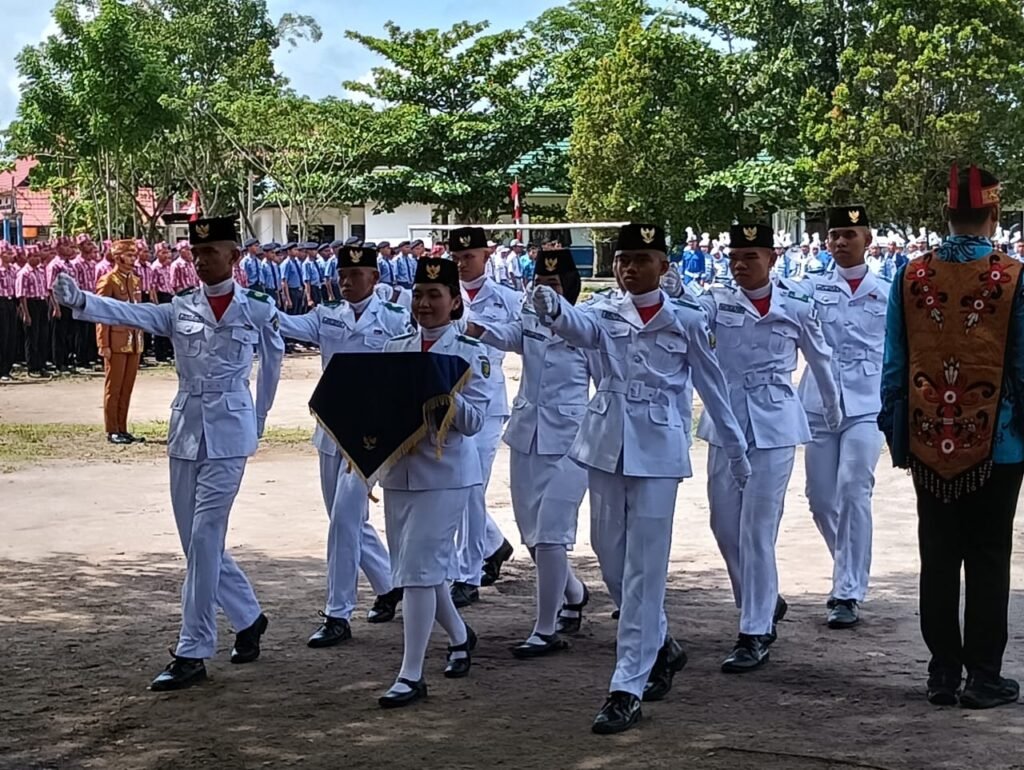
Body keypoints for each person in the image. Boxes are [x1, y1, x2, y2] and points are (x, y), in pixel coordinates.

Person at [532, 223, 750, 735]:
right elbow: (579, 328)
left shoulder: (687, 319)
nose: (629, 268)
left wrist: (736, 450)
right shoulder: (604, 311)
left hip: (657, 450)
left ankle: (626, 685)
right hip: (606, 443)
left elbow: (713, 388)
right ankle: (661, 643)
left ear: (663, 266)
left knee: (645, 569)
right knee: (608, 553)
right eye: (623, 260)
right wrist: (553, 308)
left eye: (641, 259)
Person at [53, 216, 285, 691]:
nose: (201, 260)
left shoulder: (257, 308)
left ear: (233, 257)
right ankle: (248, 616)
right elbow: (132, 313)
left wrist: (259, 416)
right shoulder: (181, 306)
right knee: (194, 542)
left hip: (230, 430)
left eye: (210, 252)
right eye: (195, 253)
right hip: (187, 431)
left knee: (205, 536)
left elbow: (274, 360)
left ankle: (193, 648)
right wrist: (81, 301)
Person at [880, 164, 1023, 710]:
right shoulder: (1013, 276)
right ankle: (983, 676)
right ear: (994, 213)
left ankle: (942, 670)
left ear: (946, 213)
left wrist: (899, 429)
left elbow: (895, 363)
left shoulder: (911, 275)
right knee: (989, 555)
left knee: (938, 553)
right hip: (999, 439)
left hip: (928, 435)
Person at [698, 221, 841, 673]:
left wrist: (832, 408)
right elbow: (687, 317)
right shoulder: (716, 301)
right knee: (725, 525)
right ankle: (761, 599)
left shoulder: (794, 304)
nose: (740, 265)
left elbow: (820, 357)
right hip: (726, 422)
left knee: (758, 528)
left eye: (750, 257)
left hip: (775, 422)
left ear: (772, 258)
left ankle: (755, 629)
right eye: (734, 258)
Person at [274, 243, 409, 647]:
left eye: (355, 275)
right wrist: (257, 309)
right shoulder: (327, 314)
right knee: (343, 517)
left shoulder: (395, 318)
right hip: (331, 429)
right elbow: (287, 324)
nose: (346, 282)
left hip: (370, 435)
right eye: (342, 276)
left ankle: (337, 613)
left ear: (374, 278)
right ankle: (388, 586)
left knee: (344, 520)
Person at [465, 248, 595, 657]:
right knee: (532, 535)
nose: (545, 292)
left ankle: (544, 628)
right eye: (540, 284)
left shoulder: (587, 327)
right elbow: (504, 334)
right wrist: (468, 324)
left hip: (572, 440)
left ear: (569, 286)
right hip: (527, 435)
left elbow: (609, 379)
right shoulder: (529, 319)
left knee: (552, 531)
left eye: (553, 284)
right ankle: (574, 594)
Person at [376, 256, 490, 708]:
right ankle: (460, 637)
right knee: (417, 568)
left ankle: (411, 673)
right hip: (399, 471)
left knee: (418, 571)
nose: (424, 304)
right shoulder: (394, 348)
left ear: (454, 302)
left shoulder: (469, 352)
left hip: (446, 475)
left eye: (435, 296)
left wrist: (447, 400)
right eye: (418, 295)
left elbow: (475, 422)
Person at [799, 206, 889, 629]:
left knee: (853, 488)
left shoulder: (887, 292)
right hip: (819, 401)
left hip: (867, 404)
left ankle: (847, 590)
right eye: (834, 234)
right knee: (820, 499)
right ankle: (848, 564)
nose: (839, 241)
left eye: (849, 234)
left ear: (867, 240)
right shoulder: (809, 288)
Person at [449, 226, 517, 606]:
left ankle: (467, 573)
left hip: (488, 404)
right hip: (449, 402)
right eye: (456, 257)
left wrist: (481, 329)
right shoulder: (444, 293)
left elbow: (520, 337)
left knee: (471, 487)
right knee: (458, 487)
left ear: (487, 255)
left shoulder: (507, 298)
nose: (462, 264)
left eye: (469, 256)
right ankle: (492, 544)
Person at [95, 240, 146, 445]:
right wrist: (103, 344)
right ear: (118, 257)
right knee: (113, 388)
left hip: (134, 340)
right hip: (115, 341)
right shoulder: (108, 281)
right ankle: (112, 429)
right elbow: (101, 314)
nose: (134, 259)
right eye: (129, 255)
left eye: (134, 255)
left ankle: (122, 428)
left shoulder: (135, 280)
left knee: (127, 388)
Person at [15, 246, 51, 379]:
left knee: (43, 336)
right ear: (28, 257)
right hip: (31, 303)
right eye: (34, 256)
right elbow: (21, 295)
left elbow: (45, 290)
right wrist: (26, 313)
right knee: (32, 337)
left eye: (38, 256)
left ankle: (41, 364)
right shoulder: (24, 273)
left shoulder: (40, 271)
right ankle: (32, 366)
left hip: (41, 303)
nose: (37, 259)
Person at [0, 244, 16, 382]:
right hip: (1, 302)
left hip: (11, 302)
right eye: (8, 253)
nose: (12, 255)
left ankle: (7, 368)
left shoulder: (12, 270)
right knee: (2, 337)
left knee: (11, 336)